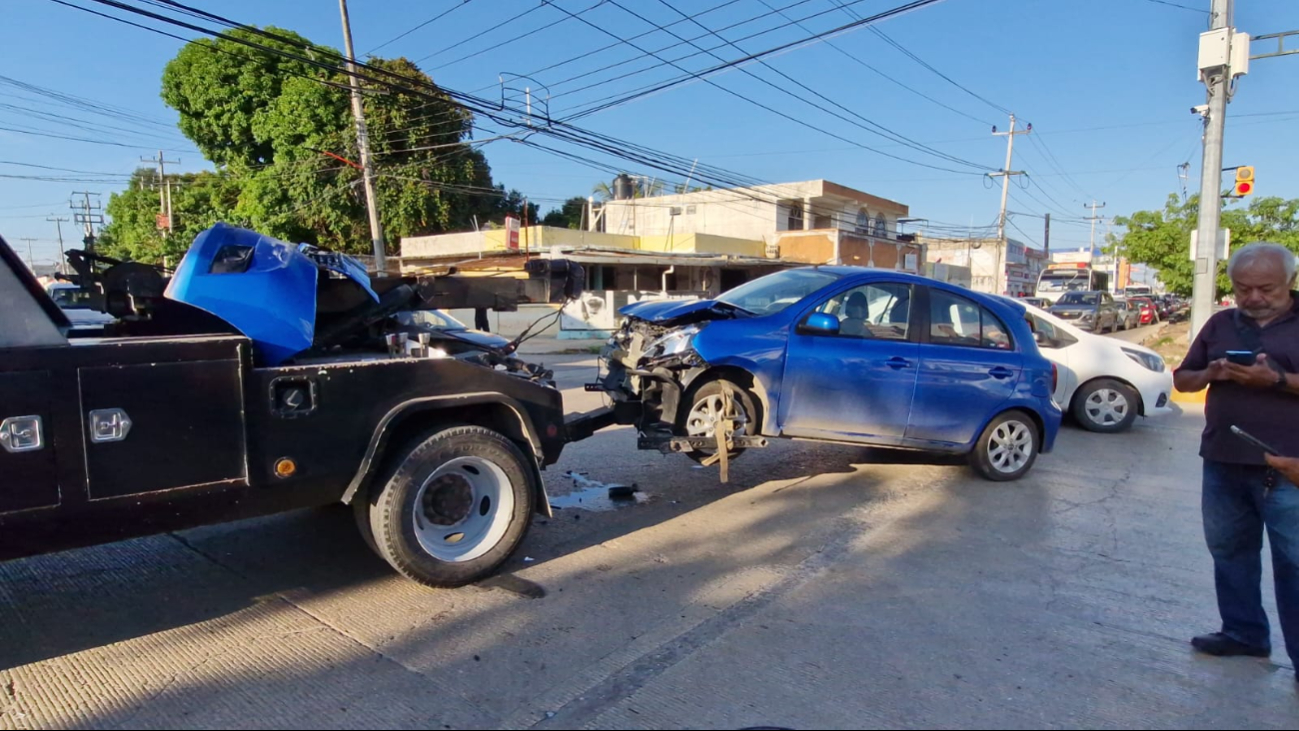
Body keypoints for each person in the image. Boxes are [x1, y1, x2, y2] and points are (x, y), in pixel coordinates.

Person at [1173, 242, 1299, 678]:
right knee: (1229, 551)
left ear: (1290, 283)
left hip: (1289, 466)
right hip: (1224, 460)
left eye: (1266, 289)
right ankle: (1244, 634)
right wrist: (1211, 373)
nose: (1253, 298)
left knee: (1294, 564)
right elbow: (1183, 379)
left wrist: (1278, 379)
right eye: (1243, 289)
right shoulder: (1220, 324)